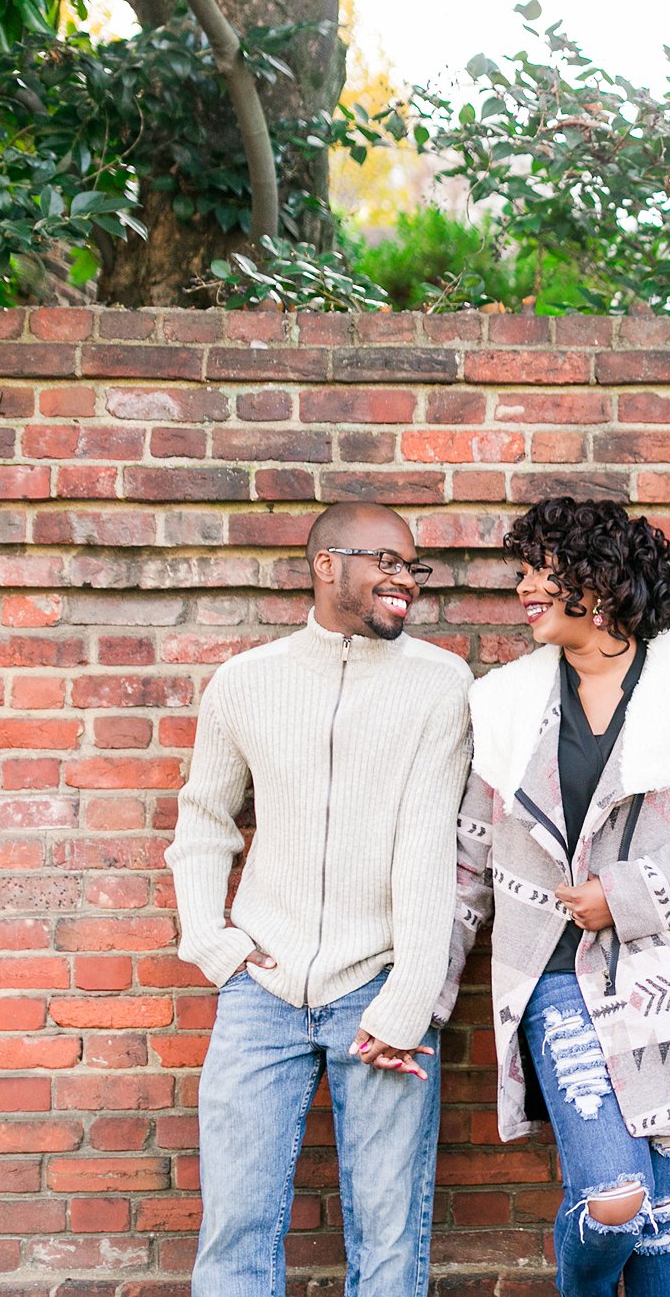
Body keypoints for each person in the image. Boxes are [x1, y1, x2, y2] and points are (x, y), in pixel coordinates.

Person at [435, 496, 670, 1293]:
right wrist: (426, 1000)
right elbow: (469, 864)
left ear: (597, 581)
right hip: (555, 978)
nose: (524, 586)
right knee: (614, 1200)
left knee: (665, 1223)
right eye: (521, 570)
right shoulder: (504, 708)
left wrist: (626, 896)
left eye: (540, 569)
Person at [169, 501, 472, 1296]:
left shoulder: (442, 685)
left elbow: (428, 845)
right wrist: (215, 943)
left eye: (413, 567)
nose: (405, 581)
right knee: (235, 1224)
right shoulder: (245, 683)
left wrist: (410, 997)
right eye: (387, 562)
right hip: (258, 991)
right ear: (326, 565)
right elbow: (204, 822)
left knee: (388, 1234)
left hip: (377, 988)